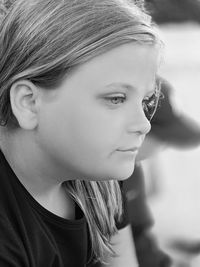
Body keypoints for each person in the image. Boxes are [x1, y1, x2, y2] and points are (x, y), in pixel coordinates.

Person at [0, 0, 163, 266]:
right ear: (29, 102)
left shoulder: (101, 182)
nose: (143, 124)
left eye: (145, 101)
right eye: (116, 98)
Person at [124, 77, 200, 267]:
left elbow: (139, 238)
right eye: (162, 139)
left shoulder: (133, 170)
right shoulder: (96, 180)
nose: (163, 148)